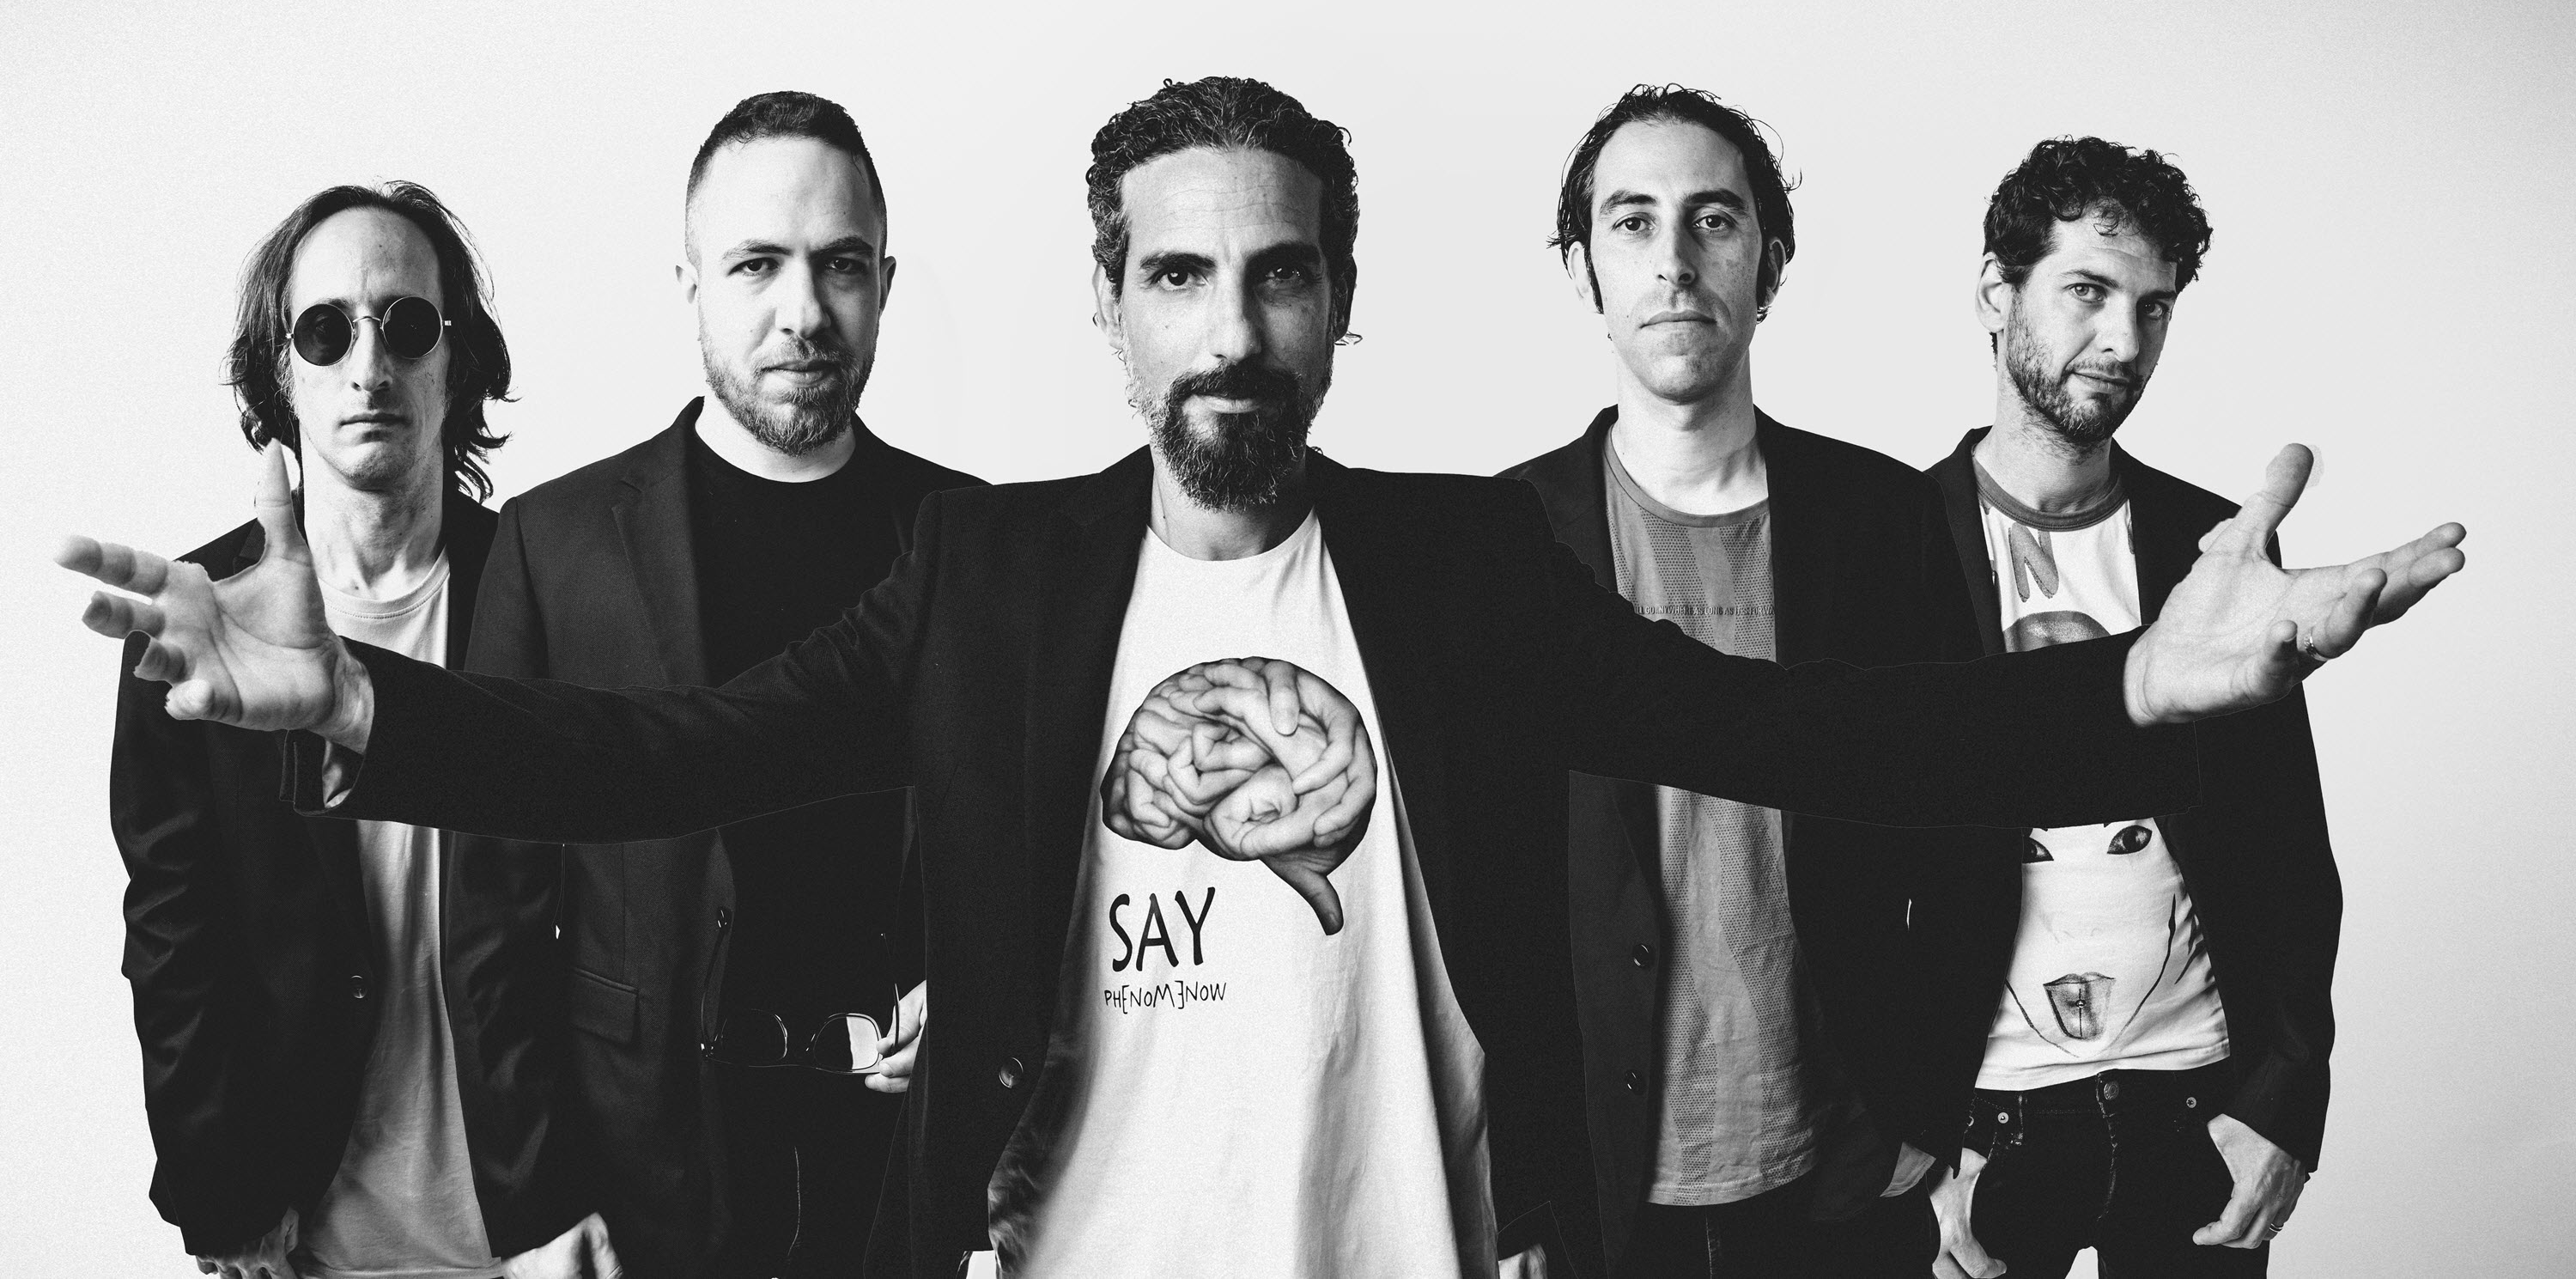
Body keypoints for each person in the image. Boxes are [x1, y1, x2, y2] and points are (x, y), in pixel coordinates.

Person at [61, 78, 2463, 1279]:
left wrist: (2133, 693)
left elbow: (1779, 726)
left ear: (1339, 303)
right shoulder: (991, 574)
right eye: (1179, 275)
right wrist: (365, 713)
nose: (1231, 326)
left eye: (1279, 273)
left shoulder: (1457, 568)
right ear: (1110, 310)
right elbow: (668, 752)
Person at [456, 92, 969, 1277]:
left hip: (895, 1176)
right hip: (641, 1171)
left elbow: (1032, 851)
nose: (805, 311)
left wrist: (978, 996)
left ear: (885, 283)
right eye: (756, 265)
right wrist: (534, 1199)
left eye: (842, 265)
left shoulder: (976, 541)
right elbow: (491, 914)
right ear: (690, 285)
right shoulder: (555, 544)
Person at [1502, 86, 1975, 1276]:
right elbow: (1477, 887)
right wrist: (1516, 1189)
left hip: (1842, 1170)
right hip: (1598, 1187)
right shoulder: (1503, 538)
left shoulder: (1883, 519)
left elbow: (1967, 818)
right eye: (1631, 222)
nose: (1673, 261)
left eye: (1713, 220)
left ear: (1770, 263)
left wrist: (1925, 1112)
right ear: (1582, 270)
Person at [103, 182, 617, 1279]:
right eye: (326, 332)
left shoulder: (556, 599)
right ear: (279, 372)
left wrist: (599, 1185)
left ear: (456, 363)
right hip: (299, 1232)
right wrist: (221, 1196)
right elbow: (174, 943)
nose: (369, 367)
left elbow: (631, 909)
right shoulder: (197, 625)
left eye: (408, 325)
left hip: (544, 1229)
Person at [1908, 137, 2338, 1279]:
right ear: (1997, 292)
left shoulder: (2212, 546)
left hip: (2195, 1110)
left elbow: (2288, 845)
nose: (2124, 340)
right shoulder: (1887, 544)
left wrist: (2284, 1100)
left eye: (2154, 307)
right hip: (1980, 1129)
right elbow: (1833, 880)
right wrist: (1901, 1153)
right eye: (2087, 291)